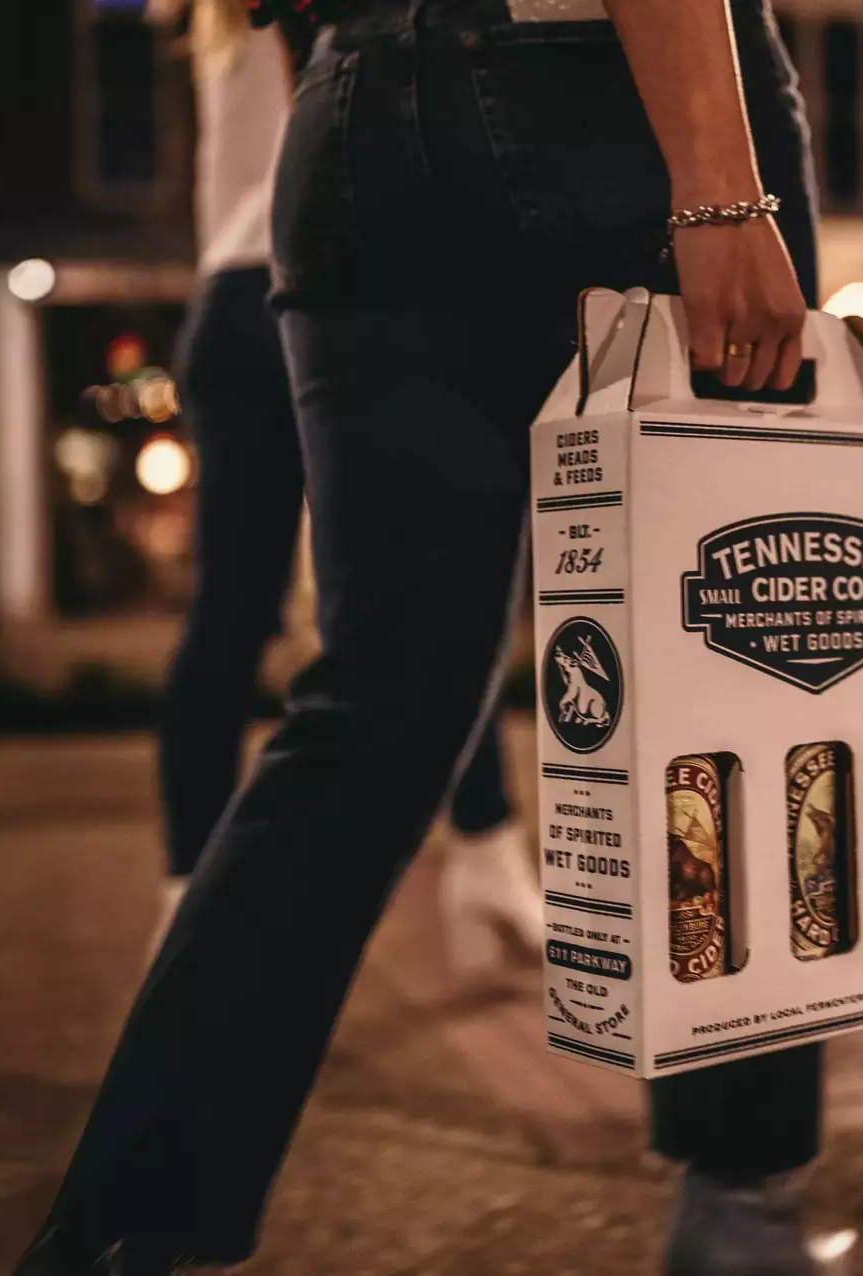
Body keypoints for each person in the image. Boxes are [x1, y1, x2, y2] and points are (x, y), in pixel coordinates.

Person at [15, 1, 838, 1274]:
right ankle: (738, 1203)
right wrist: (724, 200)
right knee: (728, 665)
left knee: (372, 714)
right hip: (611, 96)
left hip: (354, 113)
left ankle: (124, 1236)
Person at [144, 0, 538, 977]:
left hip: (231, 300)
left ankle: (186, 897)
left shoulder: (211, 23)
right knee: (442, 590)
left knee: (235, 613)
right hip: (324, 278)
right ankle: (482, 844)